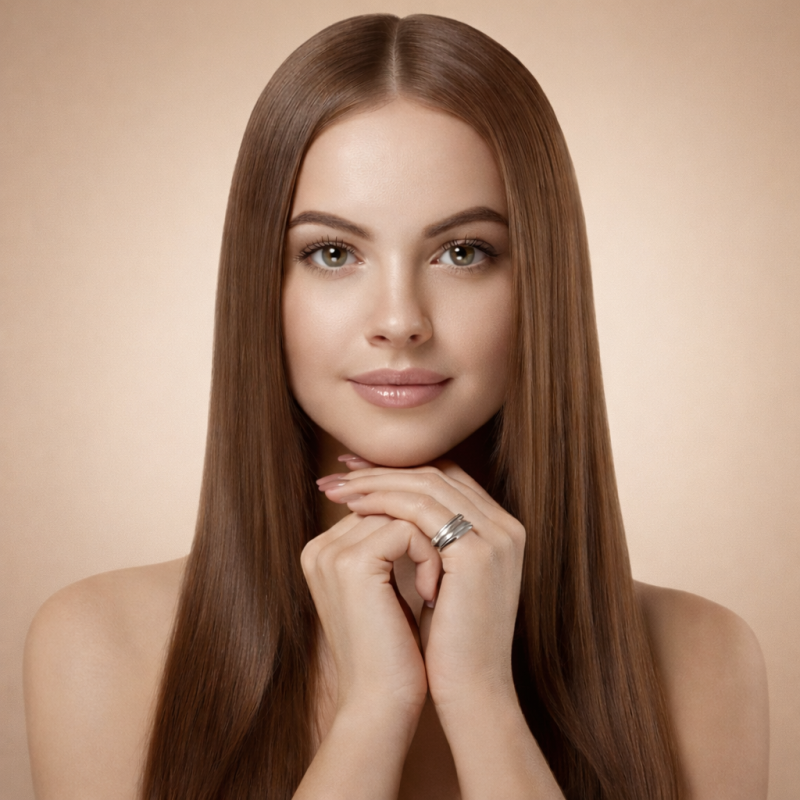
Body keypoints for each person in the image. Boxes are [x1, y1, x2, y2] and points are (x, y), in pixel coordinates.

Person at [23, 13, 769, 800]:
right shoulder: (101, 646)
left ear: (539, 284)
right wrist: (375, 712)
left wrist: (480, 697)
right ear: (264, 288)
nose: (399, 318)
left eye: (463, 252)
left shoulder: (702, 660)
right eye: (333, 253)